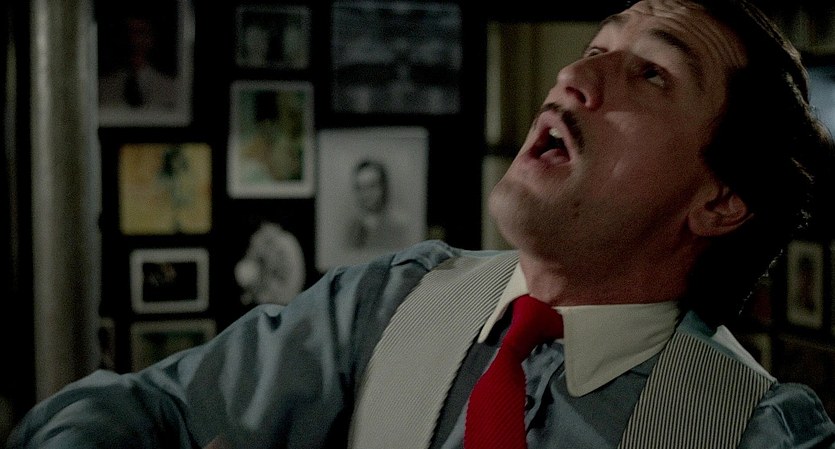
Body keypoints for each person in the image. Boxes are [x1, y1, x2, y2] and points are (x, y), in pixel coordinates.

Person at [8, 0, 835, 447]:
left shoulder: (751, 432)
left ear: (719, 201)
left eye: (650, 73)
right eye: (594, 47)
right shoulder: (388, 300)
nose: (573, 76)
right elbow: (153, 411)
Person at [345, 159, 409, 250]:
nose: (366, 194)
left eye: (371, 186)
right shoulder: (351, 230)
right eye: (360, 188)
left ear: (383, 187)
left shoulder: (398, 227)